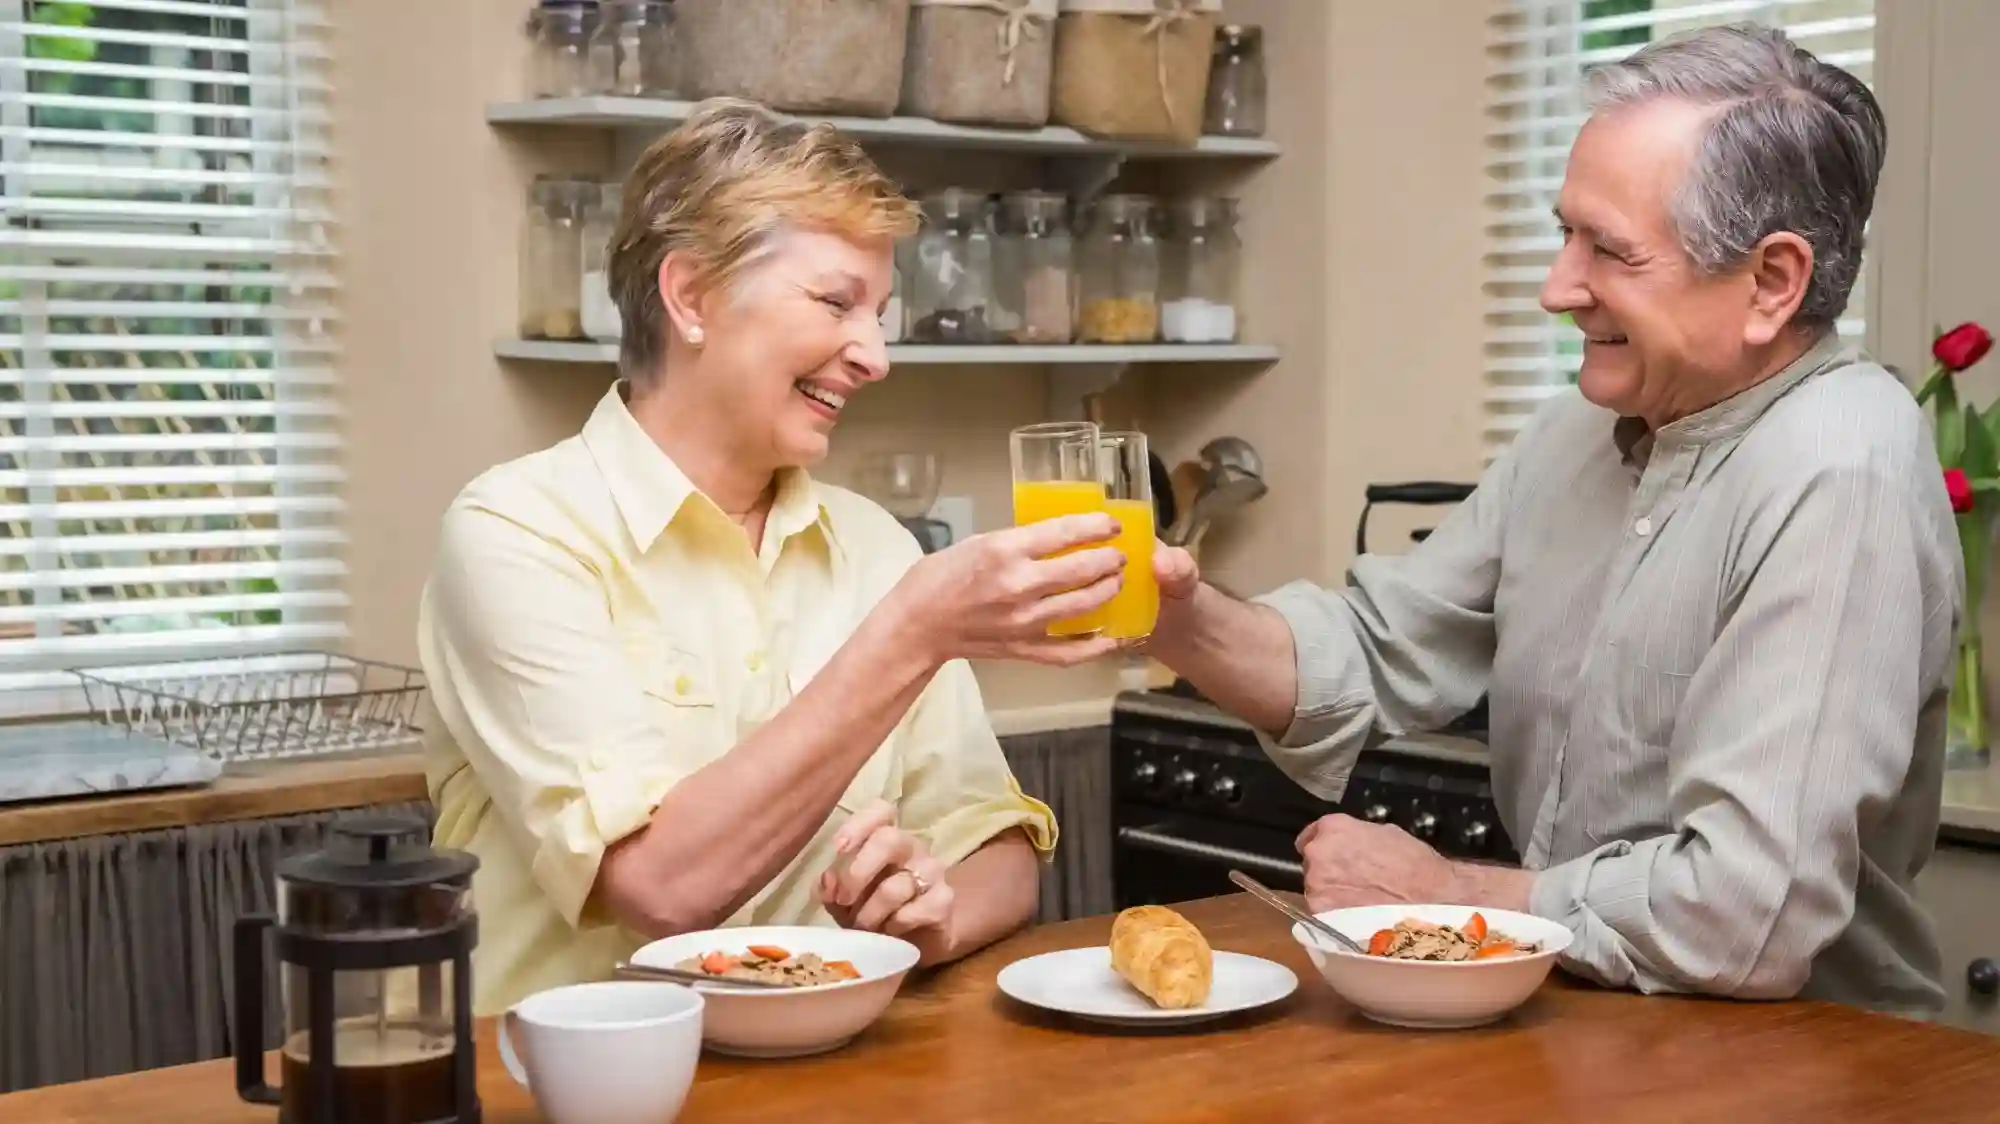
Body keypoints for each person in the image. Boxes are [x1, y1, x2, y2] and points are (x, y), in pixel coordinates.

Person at [1145, 24, 1957, 1015]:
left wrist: (1457, 896)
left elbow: (1749, 911)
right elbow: (1373, 647)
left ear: (1770, 281)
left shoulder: (1839, 462)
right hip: (1592, 1036)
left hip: (1800, 1066)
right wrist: (1160, 609)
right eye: (1563, 232)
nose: (1554, 287)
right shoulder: (1576, 431)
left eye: (1607, 250)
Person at [416, 99, 1128, 1014]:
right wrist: (912, 633)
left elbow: (995, 851)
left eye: (880, 313)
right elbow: (658, 887)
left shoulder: (874, 545)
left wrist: (933, 909)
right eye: (835, 302)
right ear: (691, 297)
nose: (874, 355)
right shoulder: (514, 533)